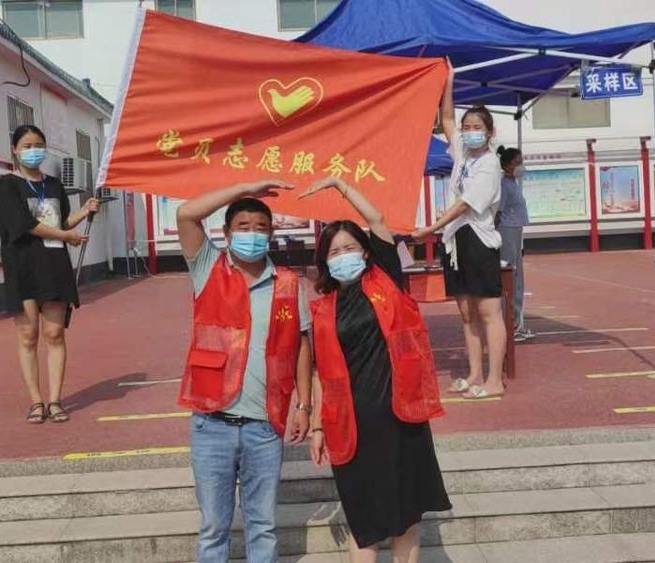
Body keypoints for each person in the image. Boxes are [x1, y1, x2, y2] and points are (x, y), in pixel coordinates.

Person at [303, 176, 451, 563]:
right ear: (325, 261)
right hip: (350, 424)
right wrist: (317, 427)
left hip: (401, 416)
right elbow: (319, 374)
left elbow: (377, 220)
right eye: (335, 251)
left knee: (405, 517)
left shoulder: (386, 280)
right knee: (363, 520)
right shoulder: (322, 310)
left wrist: (340, 185)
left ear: (367, 252)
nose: (343, 256)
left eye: (350, 247)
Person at [176, 181, 312, 563]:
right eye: (244, 226)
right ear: (227, 233)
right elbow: (186, 214)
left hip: (264, 426)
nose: (252, 234)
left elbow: (302, 345)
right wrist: (246, 189)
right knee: (214, 528)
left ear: (271, 234)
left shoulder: (288, 283)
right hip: (212, 423)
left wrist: (304, 405)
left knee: (262, 526)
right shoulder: (208, 268)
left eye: (260, 228)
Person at [412, 63, 506, 400]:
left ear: (490, 132)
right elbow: (447, 118)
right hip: (455, 242)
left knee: (488, 312)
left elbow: (465, 204)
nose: (469, 132)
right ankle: (475, 373)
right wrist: (448, 81)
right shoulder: (462, 153)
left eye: (477, 127)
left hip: (478, 241)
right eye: (467, 128)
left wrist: (431, 228)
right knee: (466, 313)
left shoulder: (490, 164)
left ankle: (494, 380)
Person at [0, 125, 99, 424]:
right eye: (27, 146)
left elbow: (61, 222)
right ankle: (36, 402)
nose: (33, 151)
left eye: (38, 145)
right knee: (28, 335)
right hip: (22, 267)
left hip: (54, 266)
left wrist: (83, 212)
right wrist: (66, 236)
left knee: (54, 334)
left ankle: (55, 401)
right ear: (15, 150)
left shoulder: (54, 185)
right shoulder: (8, 184)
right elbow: (23, 224)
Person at [497, 146, 535, 342]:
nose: (521, 166)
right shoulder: (504, 184)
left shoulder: (512, 183)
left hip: (514, 230)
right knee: (512, 275)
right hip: (507, 230)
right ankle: (511, 324)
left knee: (517, 276)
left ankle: (516, 322)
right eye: (518, 162)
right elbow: (498, 211)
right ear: (508, 165)